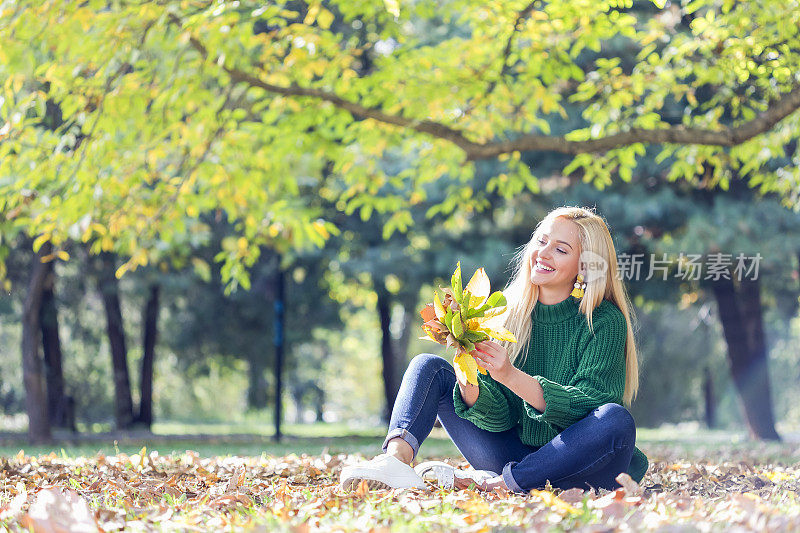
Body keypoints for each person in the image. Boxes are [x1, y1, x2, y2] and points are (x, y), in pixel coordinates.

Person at [340, 206, 648, 493]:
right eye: (541, 241)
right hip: (511, 455)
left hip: (582, 464)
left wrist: (511, 376)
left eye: (560, 249)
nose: (543, 253)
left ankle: (499, 484)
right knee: (428, 367)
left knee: (615, 418)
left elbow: (588, 409)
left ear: (585, 265)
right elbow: (501, 418)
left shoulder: (604, 321)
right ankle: (395, 461)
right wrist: (468, 382)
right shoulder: (508, 311)